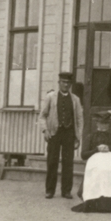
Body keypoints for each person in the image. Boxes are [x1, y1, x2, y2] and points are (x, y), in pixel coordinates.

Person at [38, 71, 83, 200]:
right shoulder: (50, 97)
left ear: (71, 84)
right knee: (52, 162)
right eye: (63, 82)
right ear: (59, 83)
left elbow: (79, 119)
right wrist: (45, 130)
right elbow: (42, 116)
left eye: (68, 83)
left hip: (69, 133)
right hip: (54, 133)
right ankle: (50, 190)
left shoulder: (75, 99)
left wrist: (78, 137)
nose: (65, 85)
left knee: (68, 163)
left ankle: (66, 191)